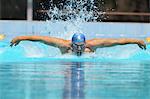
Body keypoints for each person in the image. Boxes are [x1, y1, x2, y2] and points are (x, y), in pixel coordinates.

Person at [10, 33, 146, 56]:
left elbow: (117, 42)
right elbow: (40, 39)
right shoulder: (63, 45)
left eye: (81, 46)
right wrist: (20, 38)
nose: (79, 49)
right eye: (77, 46)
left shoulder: (92, 45)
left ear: (85, 43)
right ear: (72, 43)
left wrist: (136, 40)